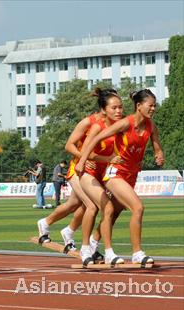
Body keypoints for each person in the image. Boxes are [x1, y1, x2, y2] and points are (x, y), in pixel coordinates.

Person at [76, 89, 164, 266]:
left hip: (132, 175)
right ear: (139, 106)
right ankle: (137, 253)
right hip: (115, 173)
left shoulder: (151, 125)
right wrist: (82, 161)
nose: (153, 108)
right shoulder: (125, 123)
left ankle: (94, 244)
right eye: (150, 105)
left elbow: (156, 143)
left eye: (155, 105)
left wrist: (159, 153)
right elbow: (95, 139)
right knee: (137, 207)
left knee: (112, 213)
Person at [36, 109, 104, 252]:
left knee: (75, 204)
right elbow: (69, 145)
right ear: (104, 106)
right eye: (114, 107)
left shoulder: (113, 124)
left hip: (95, 171)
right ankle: (87, 246)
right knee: (92, 206)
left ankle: (48, 223)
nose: (118, 111)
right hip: (78, 169)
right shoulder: (88, 122)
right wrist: (84, 158)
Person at [77, 88, 126, 265]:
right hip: (88, 173)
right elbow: (84, 152)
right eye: (114, 108)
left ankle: (92, 245)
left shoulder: (121, 127)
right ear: (104, 110)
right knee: (103, 207)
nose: (118, 111)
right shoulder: (98, 126)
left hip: (105, 174)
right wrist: (108, 158)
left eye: (120, 107)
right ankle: (96, 250)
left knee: (116, 208)